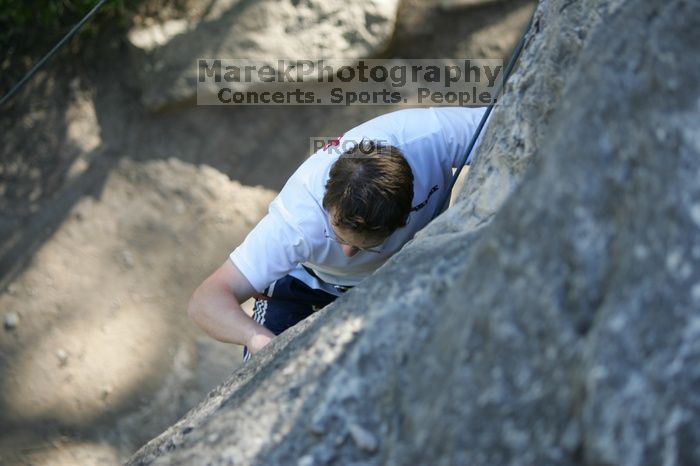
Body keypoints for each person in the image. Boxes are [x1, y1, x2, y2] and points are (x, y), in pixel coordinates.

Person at [188, 106, 488, 360]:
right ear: (327, 201)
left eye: (363, 246)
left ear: (403, 217)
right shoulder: (296, 219)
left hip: (397, 273)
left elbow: (516, 118)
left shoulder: (429, 137)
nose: (346, 253)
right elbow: (207, 299)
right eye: (338, 236)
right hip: (302, 286)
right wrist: (257, 339)